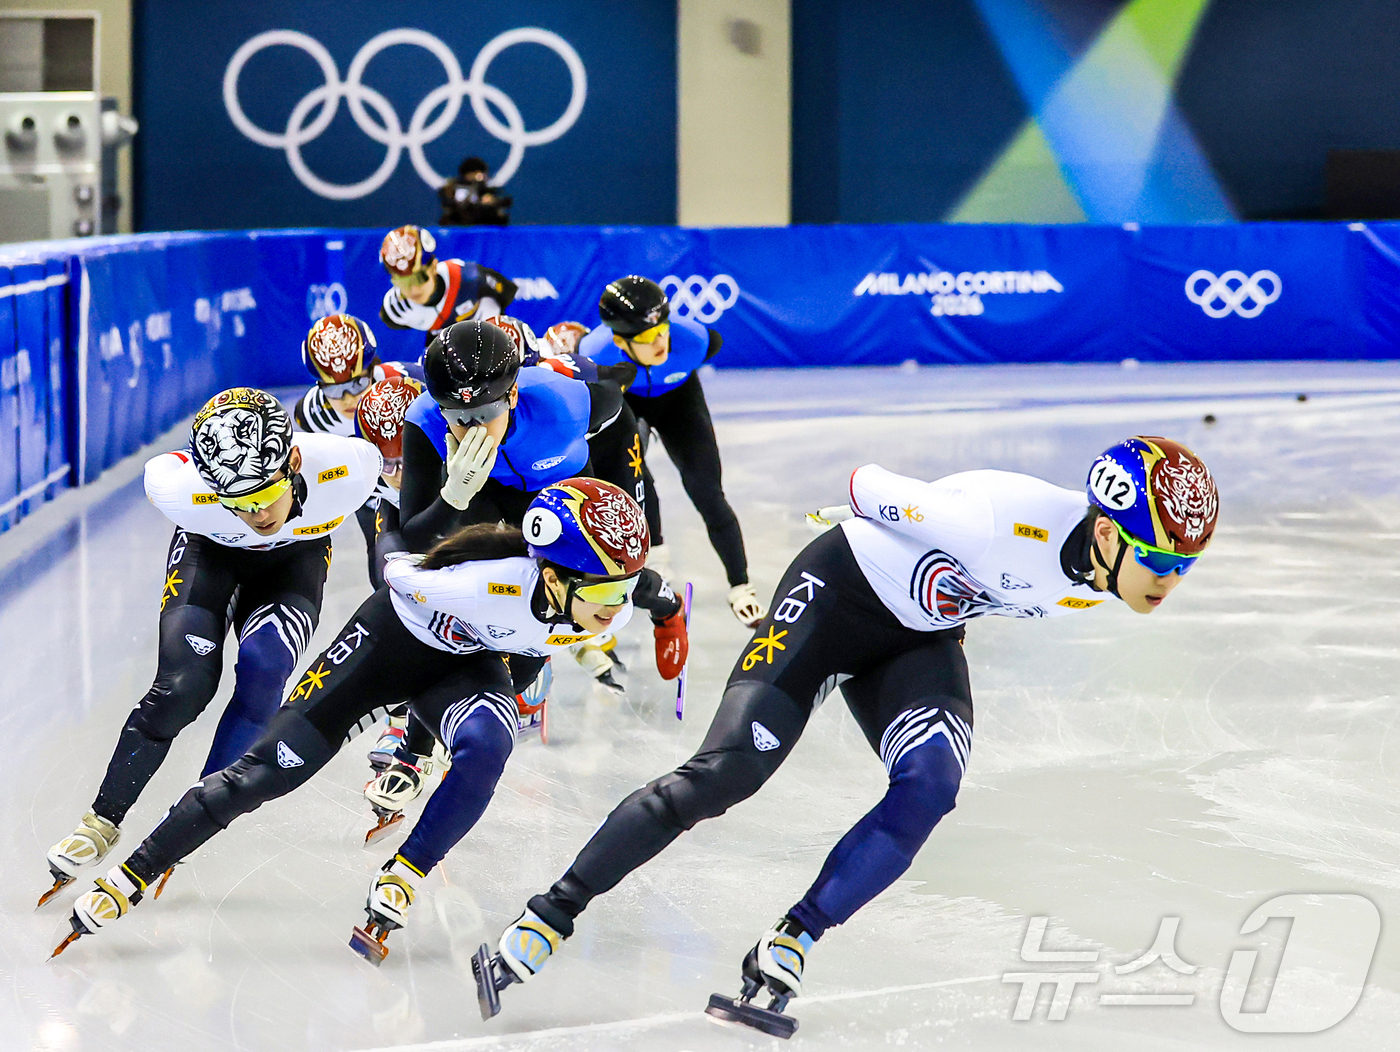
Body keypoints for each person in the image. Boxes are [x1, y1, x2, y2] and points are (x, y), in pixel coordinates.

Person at [472, 437, 1220, 1037]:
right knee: (726, 773)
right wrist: (889, 512)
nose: (1167, 581)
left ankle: (791, 939)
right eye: (1156, 559)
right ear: (1103, 530)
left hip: (918, 637)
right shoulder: (999, 523)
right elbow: (866, 481)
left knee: (932, 785)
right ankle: (550, 914)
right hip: (836, 597)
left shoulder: (1100, 574)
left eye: (1183, 567)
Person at [51, 480, 689, 964]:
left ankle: (406, 871)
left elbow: (655, 591)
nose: (614, 612)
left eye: (621, 595)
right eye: (603, 596)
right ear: (551, 576)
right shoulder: (477, 584)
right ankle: (132, 872)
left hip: (462, 669)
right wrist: (386, 510)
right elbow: (392, 566)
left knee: (492, 740)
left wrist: (667, 618)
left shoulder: (614, 591)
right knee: (261, 777)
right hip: (387, 647)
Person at [39, 388, 381, 908]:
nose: (257, 514)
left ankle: (186, 821)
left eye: (266, 494)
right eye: (238, 502)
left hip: (294, 564)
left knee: (265, 671)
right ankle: (103, 819)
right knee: (182, 687)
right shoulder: (179, 488)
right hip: (208, 553)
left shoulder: (348, 468)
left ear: (292, 462)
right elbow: (170, 466)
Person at [399, 319, 670, 695]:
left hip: (561, 480)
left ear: (511, 396)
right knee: (475, 567)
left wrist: (623, 488)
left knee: (600, 571)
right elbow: (414, 537)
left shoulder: (564, 401)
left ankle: (666, 605)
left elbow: (619, 399)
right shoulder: (424, 420)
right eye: (458, 417)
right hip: (483, 488)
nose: (473, 429)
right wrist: (453, 497)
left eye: (483, 414)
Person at [579, 276, 764, 626]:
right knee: (633, 478)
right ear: (619, 341)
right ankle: (657, 555)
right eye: (648, 339)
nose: (661, 342)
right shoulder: (596, 354)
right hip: (628, 401)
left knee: (707, 490)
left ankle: (741, 585)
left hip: (680, 400)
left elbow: (704, 340)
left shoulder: (695, 339)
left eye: (663, 330)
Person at [292, 313, 423, 587]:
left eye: (358, 383)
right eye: (335, 390)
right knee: (383, 577)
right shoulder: (310, 414)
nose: (349, 398)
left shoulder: (412, 381)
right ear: (318, 385)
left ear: (372, 368)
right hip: (372, 492)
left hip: (421, 482)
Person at [379, 225, 516, 343]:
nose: (413, 289)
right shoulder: (394, 309)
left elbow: (508, 291)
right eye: (403, 283)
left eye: (419, 278)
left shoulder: (470, 277)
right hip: (444, 346)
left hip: (487, 336)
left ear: (433, 266)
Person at [438, 156, 512, 226]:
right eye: (475, 174)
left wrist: (491, 203)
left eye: (481, 174)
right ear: (467, 174)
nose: (479, 177)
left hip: (486, 229)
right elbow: (456, 211)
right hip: (459, 229)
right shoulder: (453, 190)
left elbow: (500, 216)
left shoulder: (488, 191)